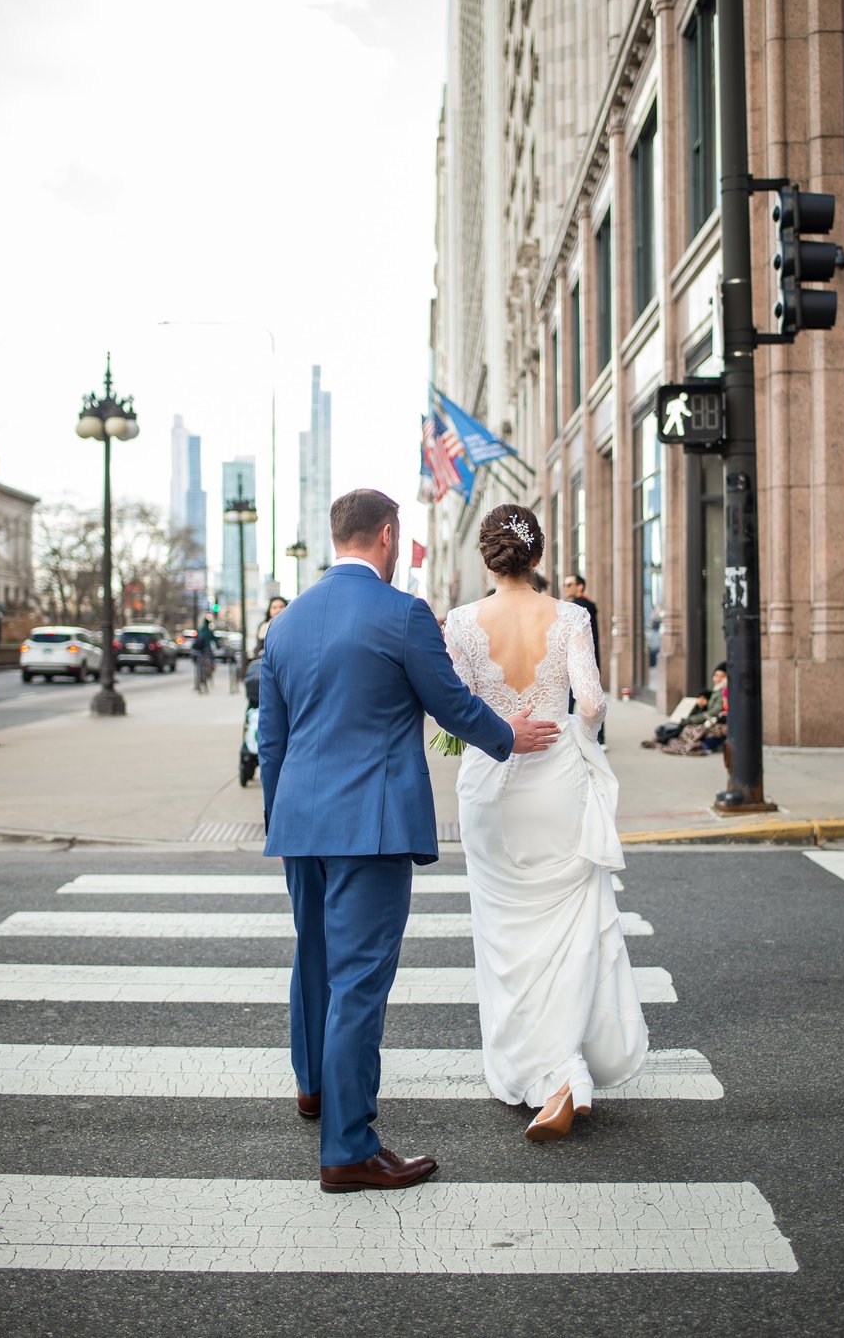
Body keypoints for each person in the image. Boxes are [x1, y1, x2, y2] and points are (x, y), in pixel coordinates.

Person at [257, 488, 560, 1193]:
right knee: (359, 983)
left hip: (300, 823)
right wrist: (505, 737)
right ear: (388, 536)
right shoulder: (402, 614)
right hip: (372, 822)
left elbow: (271, 742)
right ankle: (349, 1149)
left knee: (314, 961)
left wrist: (286, 819)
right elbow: (448, 700)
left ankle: (314, 1089)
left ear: (338, 538)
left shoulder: (287, 624)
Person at [444, 503, 648, 1143]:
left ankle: (542, 1075)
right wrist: (571, 728)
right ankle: (564, 1074)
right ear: (538, 556)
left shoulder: (460, 622)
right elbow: (589, 701)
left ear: (487, 556)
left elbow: (453, 710)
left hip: (489, 782)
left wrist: (502, 726)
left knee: (503, 936)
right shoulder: (570, 617)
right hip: (556, 779)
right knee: (566, 931)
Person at [563, 570, 604, 744]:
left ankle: (591, 737)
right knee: (589, 697)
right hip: (587, 658)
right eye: (565, 584)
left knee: (581, 700)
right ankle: (598, 737)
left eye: (570, 584)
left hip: (580, 659)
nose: (566, 588)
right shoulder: (582, 605)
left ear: (580, 586)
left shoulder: (580, 607)